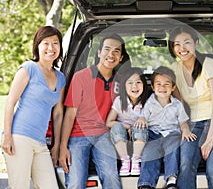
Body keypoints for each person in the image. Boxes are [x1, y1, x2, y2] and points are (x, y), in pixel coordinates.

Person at [59, 33, 128, 189]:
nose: (111, 54)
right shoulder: (81, 77)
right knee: (76, 182)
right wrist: (63, 146)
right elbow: (70, 115)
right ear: (99, 53)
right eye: (107, 49)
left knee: (111, 176)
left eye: (117, 51)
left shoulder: (122, 80)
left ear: (121, 57)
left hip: (104, 135)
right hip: (78, 136)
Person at [1, 26, 65, 189]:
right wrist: (7, 136)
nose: (51, 48)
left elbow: (58, 113)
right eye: (46, 43)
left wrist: (56, 145)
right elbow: (10, 102)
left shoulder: (60, 77)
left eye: (55, 43)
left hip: (40, 142)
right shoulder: (28, 69)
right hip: (19, 137)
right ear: (37, 45)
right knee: (19, 186)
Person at [168, 25, 213, 189]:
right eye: (177, 44)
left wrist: (209, 140)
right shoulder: (174, 69)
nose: (182, 48)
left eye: (187, 42)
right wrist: (184, 128)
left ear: (195, 43)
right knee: (185, 167)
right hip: (192, 125)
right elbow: (178, 104)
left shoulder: (208, 63)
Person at [137, 66, 197, 189]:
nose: (162, 87)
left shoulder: (177, 104)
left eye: (166, 84)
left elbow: (183, 122)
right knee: (149, 152)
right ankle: (146, 183)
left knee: (173, 149)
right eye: (158, 84)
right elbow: (143, 117)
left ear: (173, 87)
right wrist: (142, 118)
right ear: (153, 87)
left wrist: (185, 130)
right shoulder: (150, 102)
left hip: (172, 133)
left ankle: (171, 180)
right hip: (154, 133)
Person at [106, 67, 149, 176]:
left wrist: (143, 119)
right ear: (124, 86)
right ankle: (125, 161)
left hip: (140, 136)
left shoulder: (149, 102)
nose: (134, 86)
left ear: (144, 85)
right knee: (116, 127)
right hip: (122, 136)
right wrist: (126, 126)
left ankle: (135, 160)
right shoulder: (119, 101)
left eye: (138, 82)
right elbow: (109, 122)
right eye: (130, 83)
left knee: (140, 126)